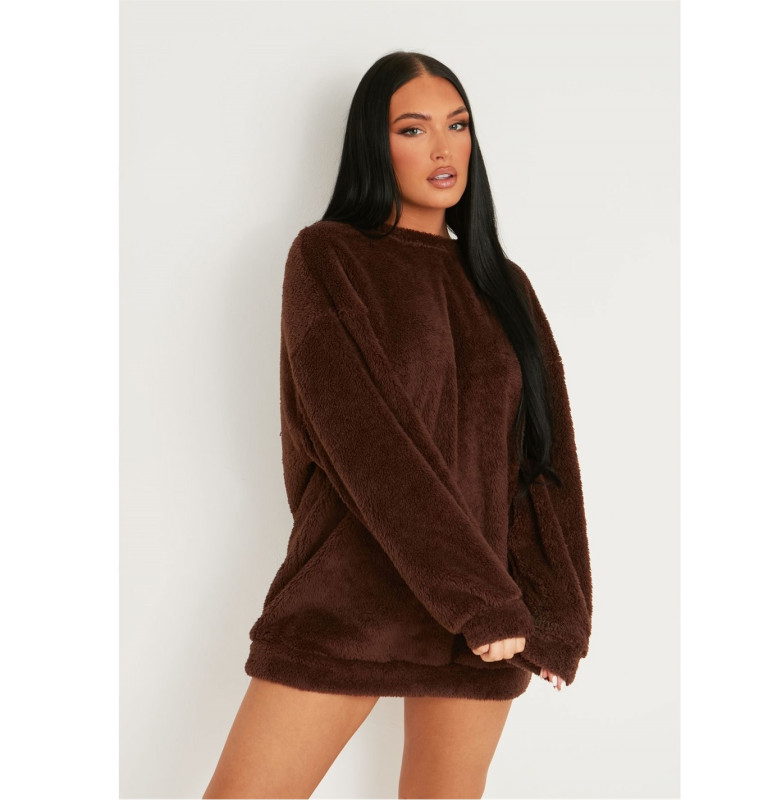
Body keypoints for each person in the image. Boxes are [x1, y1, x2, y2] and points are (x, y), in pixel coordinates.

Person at [203, 51, 592, 799]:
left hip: (483, 628)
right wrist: (479, 599)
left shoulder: (504, 286)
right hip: (353, 601)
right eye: (413, 129)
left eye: (458, 125)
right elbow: (369, 447)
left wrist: (554, 612)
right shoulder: (329, 257)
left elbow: (544, 460)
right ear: (373, 146)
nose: (443, 148)